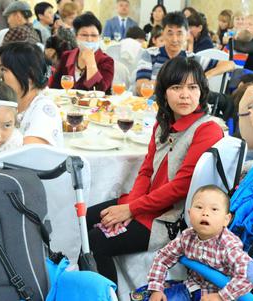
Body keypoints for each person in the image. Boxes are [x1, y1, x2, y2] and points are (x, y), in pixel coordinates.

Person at [85, 57, 224, 284]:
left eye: (192, 87)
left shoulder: (207, 129)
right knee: (85, 218)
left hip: (170, 218)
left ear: (202, 91)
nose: (185, 95)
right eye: (176, 87)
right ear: (164, 92)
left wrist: (132, 209)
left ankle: (106, 296)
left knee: (97, 241)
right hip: (147, 204)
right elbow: (146, 171)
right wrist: (131, 208)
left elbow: (181, 187)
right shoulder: (163, 124)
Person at [148, 185, 253, 301]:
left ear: (226, 220)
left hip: (219, 294)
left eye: (214, 209)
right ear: (189, 214)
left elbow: (250, 274)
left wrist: (221, 296)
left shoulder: (229, 246)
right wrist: (156, 288)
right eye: (199, 207)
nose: (205, 213)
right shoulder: (186, 237)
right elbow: (162, 258)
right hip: (191, 289)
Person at [135, 12, 235, 95]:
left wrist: (205, 76)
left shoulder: (190, 59)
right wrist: (176, 81)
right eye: (170, 33)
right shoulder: (150, 54)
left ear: (187, 35)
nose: (174, 39)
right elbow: (141, 88)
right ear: (163, 33)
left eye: (179, 33)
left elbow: (230, 64)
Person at [0, 42, 64, 147]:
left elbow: (31, 152)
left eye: (3, 70)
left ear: (29, 75)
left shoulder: (44, 109)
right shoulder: (10, 103)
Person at [51, 12, 114, 93]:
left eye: (94, 35)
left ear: (99, 37)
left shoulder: (107, 61)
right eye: (84, 35)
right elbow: (54, 87)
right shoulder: (66, 56)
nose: (89, 39)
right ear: (76, 36)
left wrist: (91, 62)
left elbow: (99, 92)